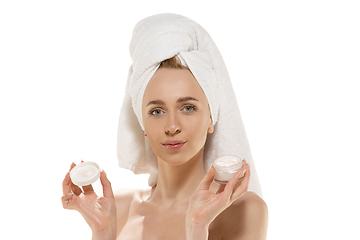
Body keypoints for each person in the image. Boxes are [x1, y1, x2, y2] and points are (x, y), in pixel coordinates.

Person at [62, 13, 268, 240]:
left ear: (211, 118)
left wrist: (197, 226)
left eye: (188, 108)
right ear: (143, 125)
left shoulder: (243, 210)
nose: (172, 126)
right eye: (157, 111)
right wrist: (102, 232)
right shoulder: (118, 208)